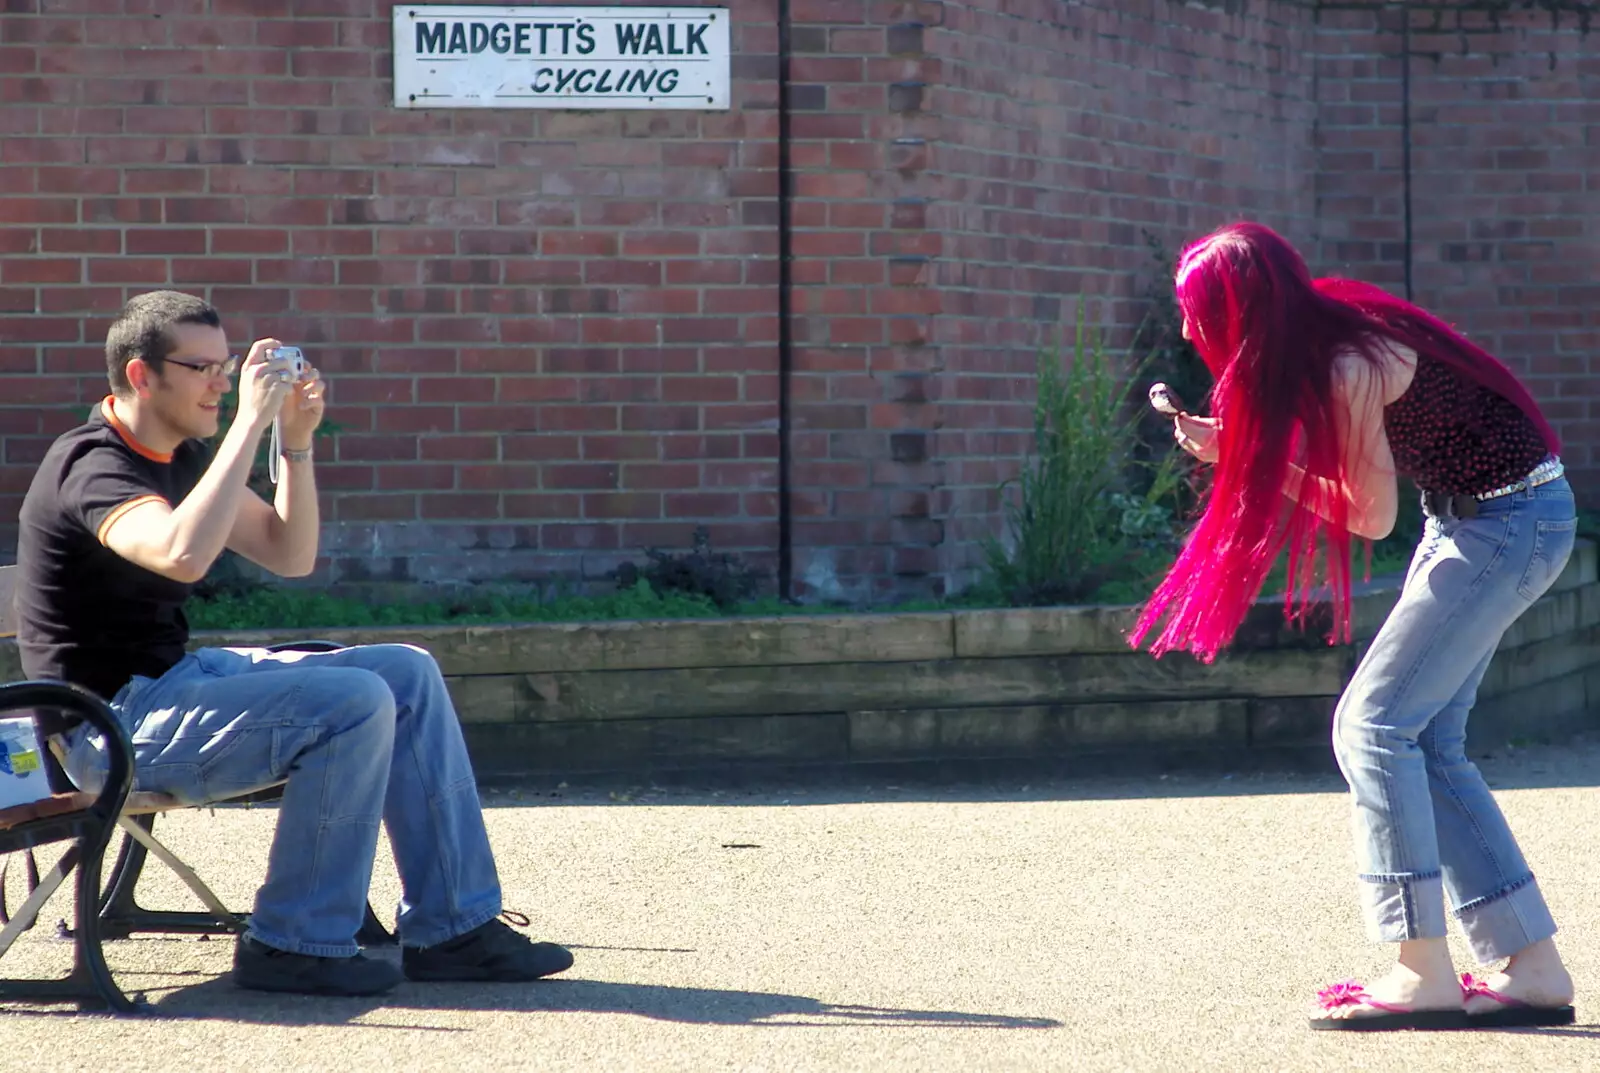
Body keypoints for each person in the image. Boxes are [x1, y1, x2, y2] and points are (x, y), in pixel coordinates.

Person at [14, 291, 574, 997]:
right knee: (354, 698)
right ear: (140, 375)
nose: (222, 382)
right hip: (106, 729)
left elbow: (289, 552)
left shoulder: (178, 457)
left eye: (227, 366)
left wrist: (296, 441)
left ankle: (454, 928)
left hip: (175, 687)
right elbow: (180, 554)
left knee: (405, 671)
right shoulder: (93, 464)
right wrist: (248, 421)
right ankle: (292, 941)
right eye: (202, 368)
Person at [1130, 222, 1576, 1031]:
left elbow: (1369, 516)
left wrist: (1256, 461)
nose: (1194, 331)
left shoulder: (1348, 361)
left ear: (1239, 312)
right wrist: (1240, 445)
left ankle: (1421, 968)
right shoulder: (1331, 328)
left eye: (1200, 315)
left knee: (1371, 726)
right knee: (1427, 737)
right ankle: (1532, 967)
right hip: (1492, 519)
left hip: (1505, 525)